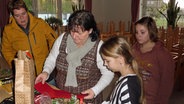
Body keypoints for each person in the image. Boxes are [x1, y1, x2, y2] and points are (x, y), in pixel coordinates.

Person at [35, 10, 114, 103]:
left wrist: (95, 90)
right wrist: (46, 72)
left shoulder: (98, 47)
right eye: (72, 31)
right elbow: (52, 58)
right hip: (62, 97)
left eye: (79, 33)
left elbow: (108, 73)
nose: (74, 36)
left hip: (86, 99)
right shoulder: (62, 39)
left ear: (90, 30)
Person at [1, 0, 58, 76]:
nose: (21, 18)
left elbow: (54, 41)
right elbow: (6, 51)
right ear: (13, 16)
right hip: (25, 75)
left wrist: (52, 59)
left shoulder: (40, 23)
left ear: (27, 11)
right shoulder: (8, 30)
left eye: (23, 14)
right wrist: (16, 65)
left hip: (46, 72)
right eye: (17, 16)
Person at [132, 16, 175, 104]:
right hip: (135, 95)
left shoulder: (162, 54)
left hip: (152, 99)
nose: (138, 35)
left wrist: (161, 101)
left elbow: (166, 83)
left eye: (142, 32)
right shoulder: (134, 49)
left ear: (151, 32)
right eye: (136, 32)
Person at [100, 36, 144, 104]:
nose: (104, 64)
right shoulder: (124, 79)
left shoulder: (128, 85)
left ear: (121, 60)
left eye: (107, 61)